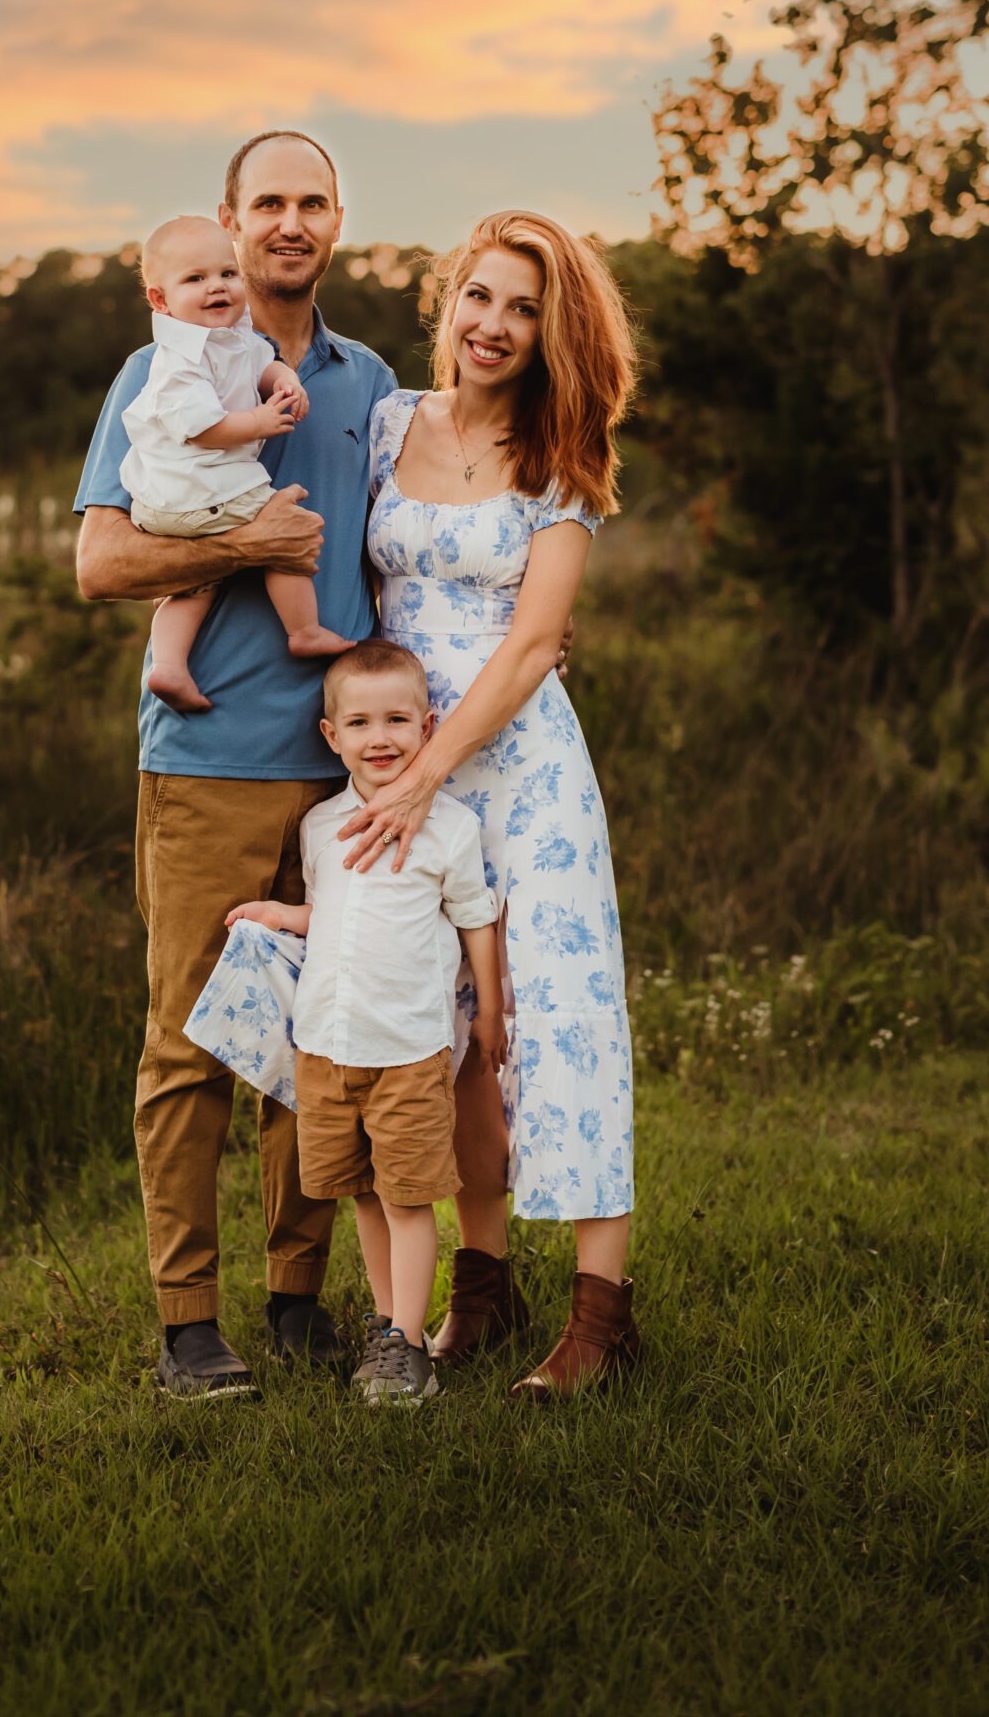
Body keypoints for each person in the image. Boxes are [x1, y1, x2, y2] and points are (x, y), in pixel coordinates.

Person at [74, 131, 397, 1398]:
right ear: (229, 218)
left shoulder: (368, 380)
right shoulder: (163, 371)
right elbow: (100, 564)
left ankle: (302, 1297)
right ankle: (185, 1324)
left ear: (335, 222)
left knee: (319, 1043)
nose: (288, 222)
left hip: (344, 775)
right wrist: (240, 543)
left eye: (311, 201)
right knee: (191, 1045)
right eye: (266, 201)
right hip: (208, 757)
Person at [343, 210, 640, 1401]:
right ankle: (480, 1284)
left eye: (525, 309)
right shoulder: (377, 428)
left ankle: (600, 1316)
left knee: (555, 1018)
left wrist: (428, 771)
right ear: (446, 298)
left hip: (523, 776)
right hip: (403, 764)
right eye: (481, 297)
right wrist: (389, 761)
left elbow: (530, 649)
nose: (495, 326)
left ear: (551, 333)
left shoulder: (560, 454)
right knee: (447, 1027)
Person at [211, 641, 505, 1405]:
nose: (381, 737)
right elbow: (339, 914)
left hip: (406, 1051)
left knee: (407, 1197)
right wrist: (283, 915)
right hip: (328, 1053)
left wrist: (492, 1014)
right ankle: (387, 1326)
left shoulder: (448, 829)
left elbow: (476, 921)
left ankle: (409, 1347)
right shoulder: (320, 826)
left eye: (399, 719)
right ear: (330, 735)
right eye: (361, 722)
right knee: (367, 1194)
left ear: (428, 725)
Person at [117, 214, 355, 714]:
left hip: (189, 498)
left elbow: (257, 362)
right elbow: (204, 427)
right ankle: (303, 630)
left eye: (226, 274)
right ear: (160, 300)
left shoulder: (233, 337)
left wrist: (282, 378)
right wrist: (258, 421)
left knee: (194, 587)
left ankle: (168, 667)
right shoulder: (175, 362)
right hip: (192, 490)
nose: (216, 288)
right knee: (286, 532)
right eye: (195, 279)